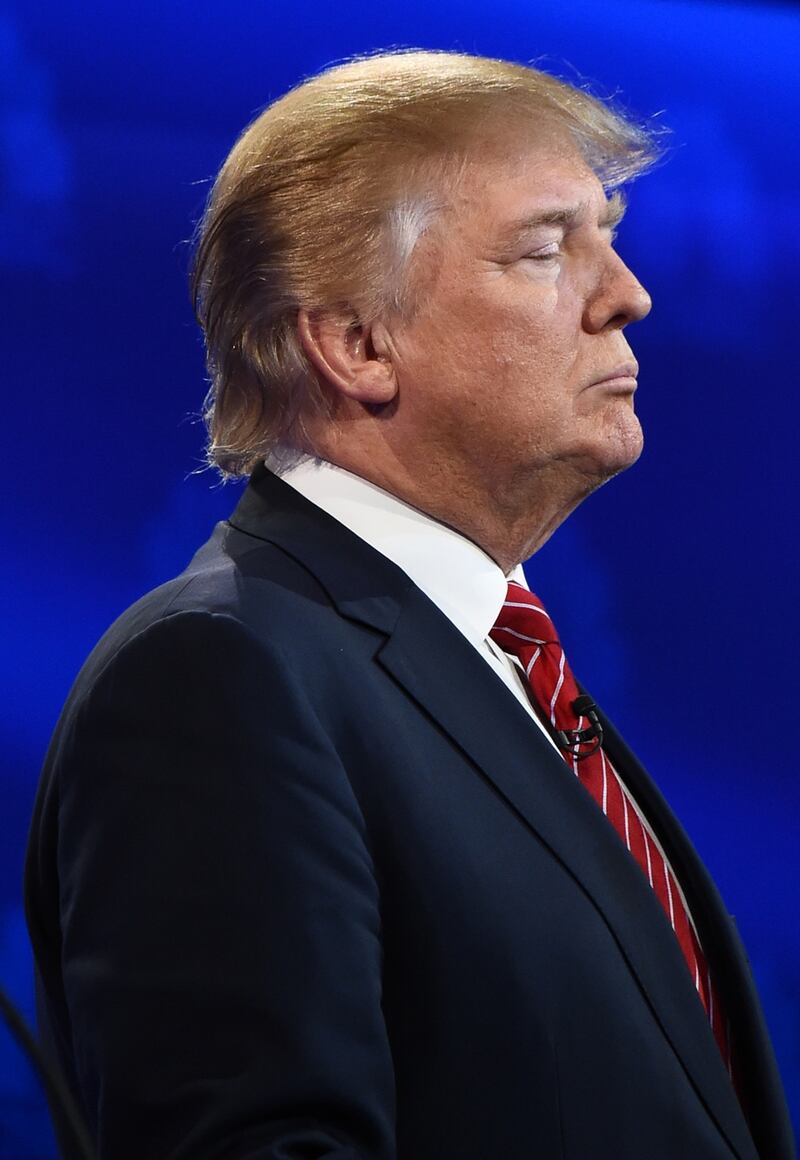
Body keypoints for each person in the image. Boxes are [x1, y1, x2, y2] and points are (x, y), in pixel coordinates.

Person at [25, 50, 794, 1160]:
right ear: (356, 344)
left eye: (607, 233)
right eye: (545, 247)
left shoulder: (488, 659)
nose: (628, 291)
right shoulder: (218, 673)